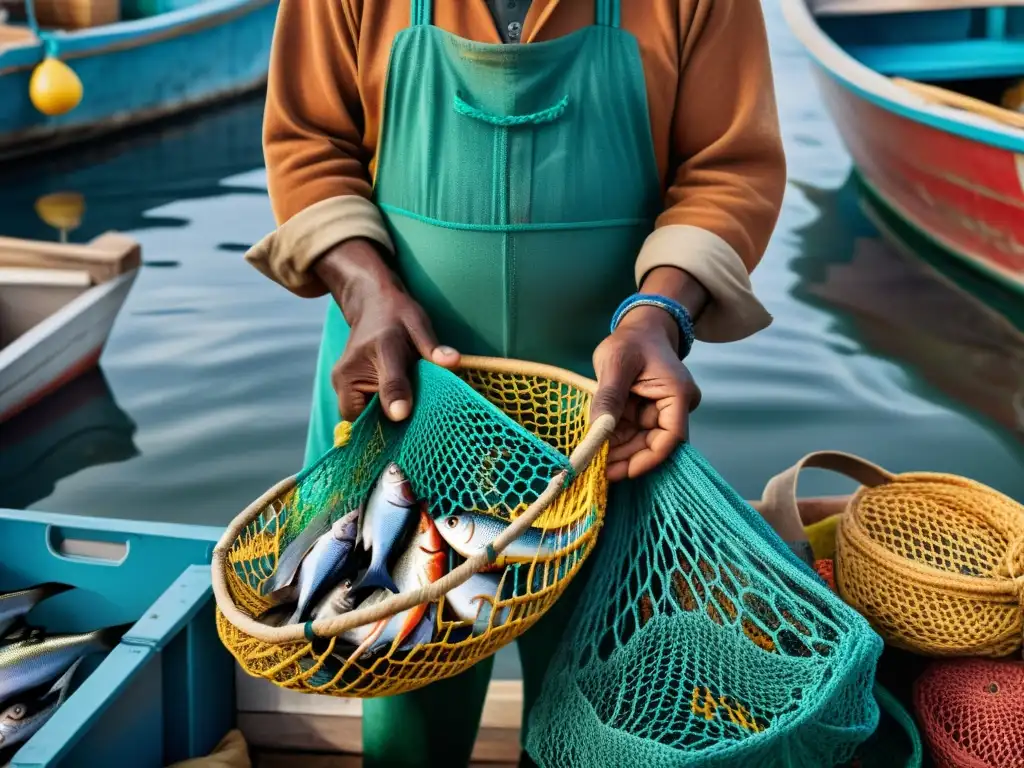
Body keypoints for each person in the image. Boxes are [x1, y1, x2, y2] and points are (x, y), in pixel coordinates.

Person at [246, 1, 786, 764]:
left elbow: (727, 170)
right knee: (400, 692)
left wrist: (658, 316)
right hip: (402, 389)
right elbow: (308, 143)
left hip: (607, 412)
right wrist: (367, 291)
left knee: (601, 703)